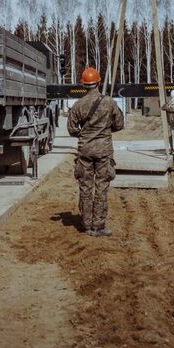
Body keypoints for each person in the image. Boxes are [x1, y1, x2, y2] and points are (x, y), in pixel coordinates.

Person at [66, 67, 124, 237]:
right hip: (104, 150)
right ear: (98, 82)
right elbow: (119, 124)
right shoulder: (109, 102)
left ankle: (87, 225)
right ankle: (98, 226)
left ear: (84, 85)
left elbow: (71, 129)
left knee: (85, 186)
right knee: (101, 187)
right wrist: (104, 130)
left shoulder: (78, 105)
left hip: (84, 150)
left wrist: (85, 134)